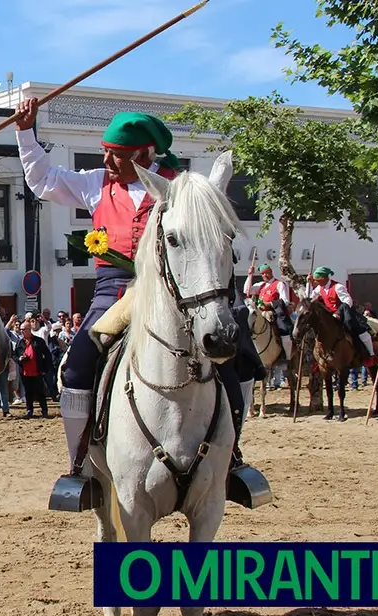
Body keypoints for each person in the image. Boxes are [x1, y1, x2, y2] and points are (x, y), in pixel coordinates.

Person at [13, 97, 264, 507]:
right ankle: (80, 465)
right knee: (77, 367)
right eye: (106, 152)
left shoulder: (182, 187)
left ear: (147, 154)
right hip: (116, 293)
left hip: (179, 293)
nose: (108, 161)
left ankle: (232, 455)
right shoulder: (96, 183)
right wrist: (26, 132)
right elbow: (42, 180)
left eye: (119, 155)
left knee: (241, 357)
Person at [306, 267, 374, 359]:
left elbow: (348, 301)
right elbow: (309, 298)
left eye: (317, 280)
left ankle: (371, 354)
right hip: (330, 316)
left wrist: (338, 313)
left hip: (345, 314)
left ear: (324, 278)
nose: (316, 282)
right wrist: (308, 284)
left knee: (361, 331)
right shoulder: (319, 288)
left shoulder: (338, 287)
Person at [243, 263, 295, 361]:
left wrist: (269, 304)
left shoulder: (279, 284)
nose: (265, 275)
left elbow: (284, 300)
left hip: (275, 313)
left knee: (285, 333)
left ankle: (288, 357)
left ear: (271, 272)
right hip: (261, 313)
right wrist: (250, 275)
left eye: (267, 273)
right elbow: (247, 290)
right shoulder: (260, 285)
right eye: (262, 274)